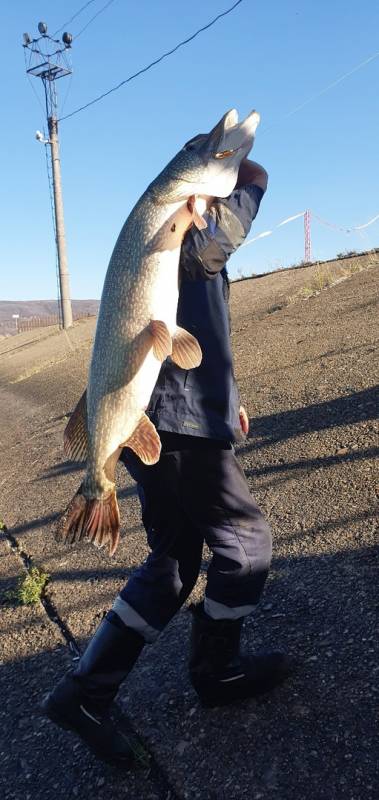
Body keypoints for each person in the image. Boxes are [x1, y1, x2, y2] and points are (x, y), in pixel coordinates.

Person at [43, 158, 291, 766]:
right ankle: (217, 671)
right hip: (174, 428)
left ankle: (84, 693)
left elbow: (198, 326)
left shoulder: (179, 242)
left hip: (173, 417)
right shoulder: (175, 237)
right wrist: (250, 178)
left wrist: (229, 401)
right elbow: (214, 247)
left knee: (174, 560)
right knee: (246, 546)